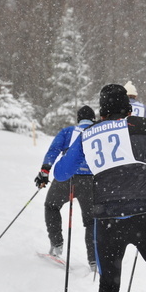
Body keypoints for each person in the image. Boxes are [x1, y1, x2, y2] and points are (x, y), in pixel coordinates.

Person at [53, 84, 146, 292]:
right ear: (129, 109)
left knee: (109, 287)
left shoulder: (88, 134)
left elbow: (61, 174)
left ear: (102, 112)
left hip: (107, 220)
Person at [34, 105, 96, 268]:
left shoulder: (68, 132)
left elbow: (54, 150)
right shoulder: (96, 132)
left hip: (66, 178)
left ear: (78, 119)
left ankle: (57, 245)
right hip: (90, 181)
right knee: (91, 221)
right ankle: (94, 259)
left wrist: (44, 171)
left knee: (51, 206)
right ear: (93, 119)